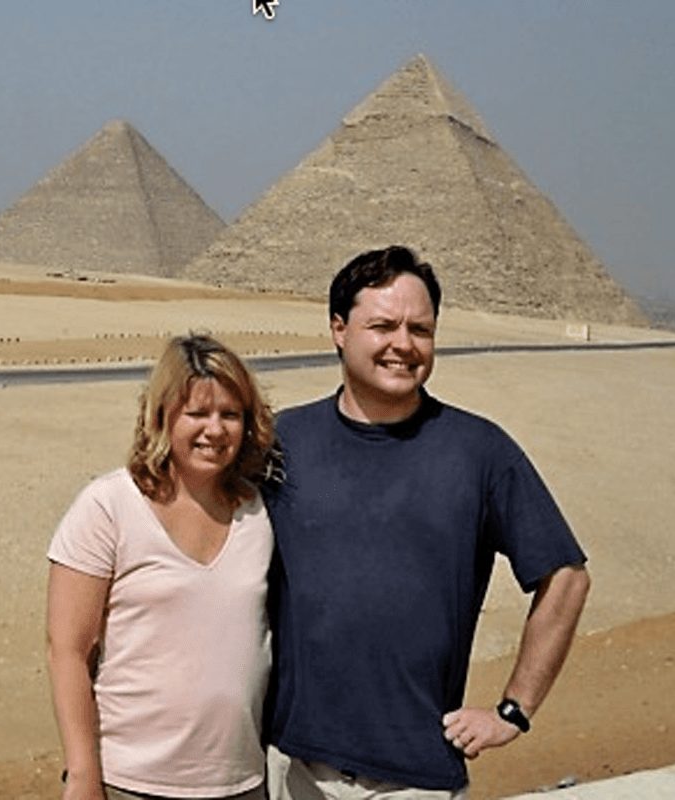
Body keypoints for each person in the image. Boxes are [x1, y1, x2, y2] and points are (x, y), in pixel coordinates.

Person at [262, 245, 591, 798]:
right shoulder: (280, 444)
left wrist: (514, 710)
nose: (403, 344)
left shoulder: (479, 451)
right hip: (290, 765)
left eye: (421, 328)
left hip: (416, 774)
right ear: (339, 329)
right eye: (384, 325)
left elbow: (567, 576)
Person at [46, 334, 277, 800]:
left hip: (241, 781)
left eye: (230, 414)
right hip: (132, 780)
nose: (215, 430)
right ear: (162, 415)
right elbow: (67, 649)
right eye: (197, 413)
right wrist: (83, 773)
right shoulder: (109, 506)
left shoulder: (260, 512)